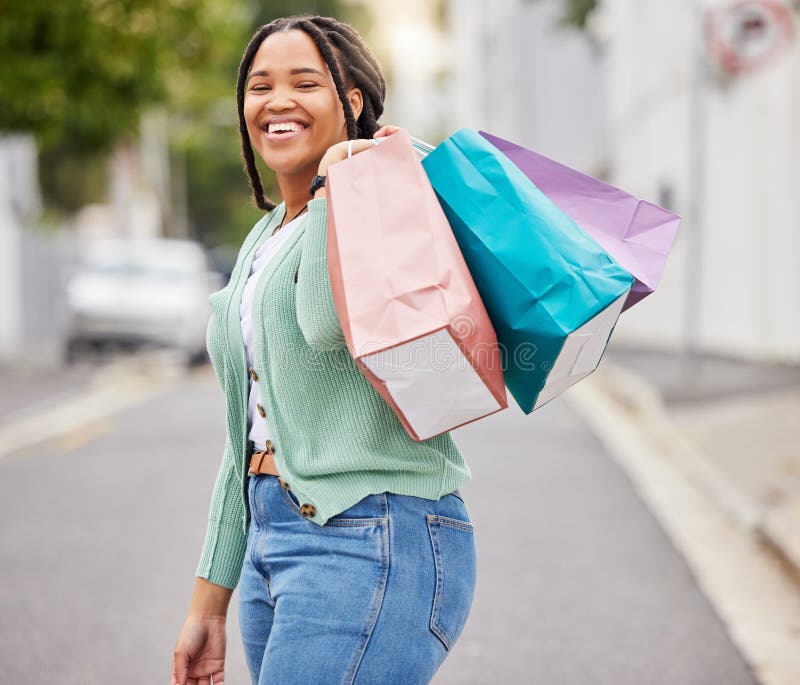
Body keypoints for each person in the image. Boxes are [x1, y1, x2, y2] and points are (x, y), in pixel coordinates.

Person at [170, 15, 476, 685]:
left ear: (352, 101)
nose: (277, 101)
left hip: (373, 530)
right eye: (259, 86)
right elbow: (240, 434)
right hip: (270, 539)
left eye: (304, 83)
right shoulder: (264, 237)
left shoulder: (377, 201)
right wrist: (209, 601)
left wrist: (334, 186)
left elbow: (321, 323)